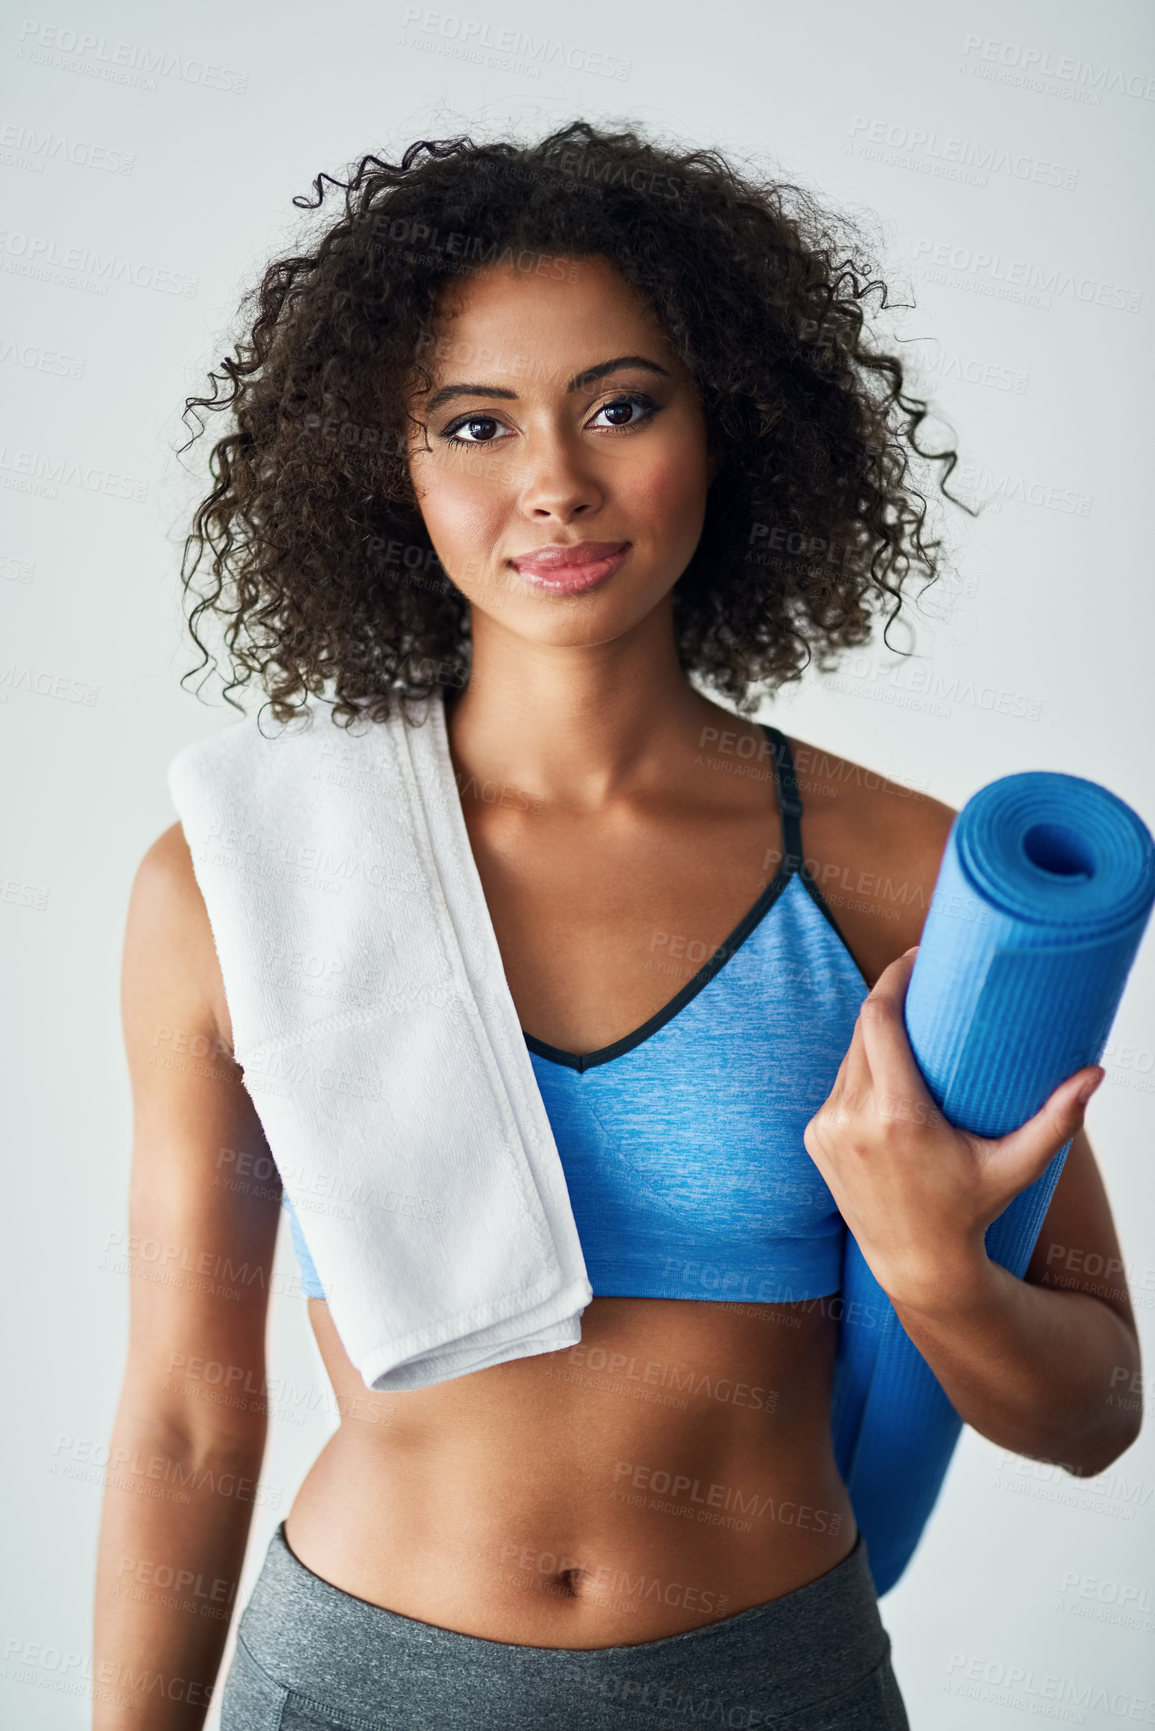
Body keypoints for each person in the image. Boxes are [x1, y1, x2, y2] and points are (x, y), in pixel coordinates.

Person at [92, 121, 1141, 1730]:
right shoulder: (244, 879)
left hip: (769, 1683)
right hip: (361, 1683)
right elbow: (184, 1414)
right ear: (394, 470)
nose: (556, 484)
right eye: (474, 425)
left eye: (624, 406)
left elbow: (1093, 1413)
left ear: (730, 432)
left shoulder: (898, 874)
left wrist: (939, 1269)